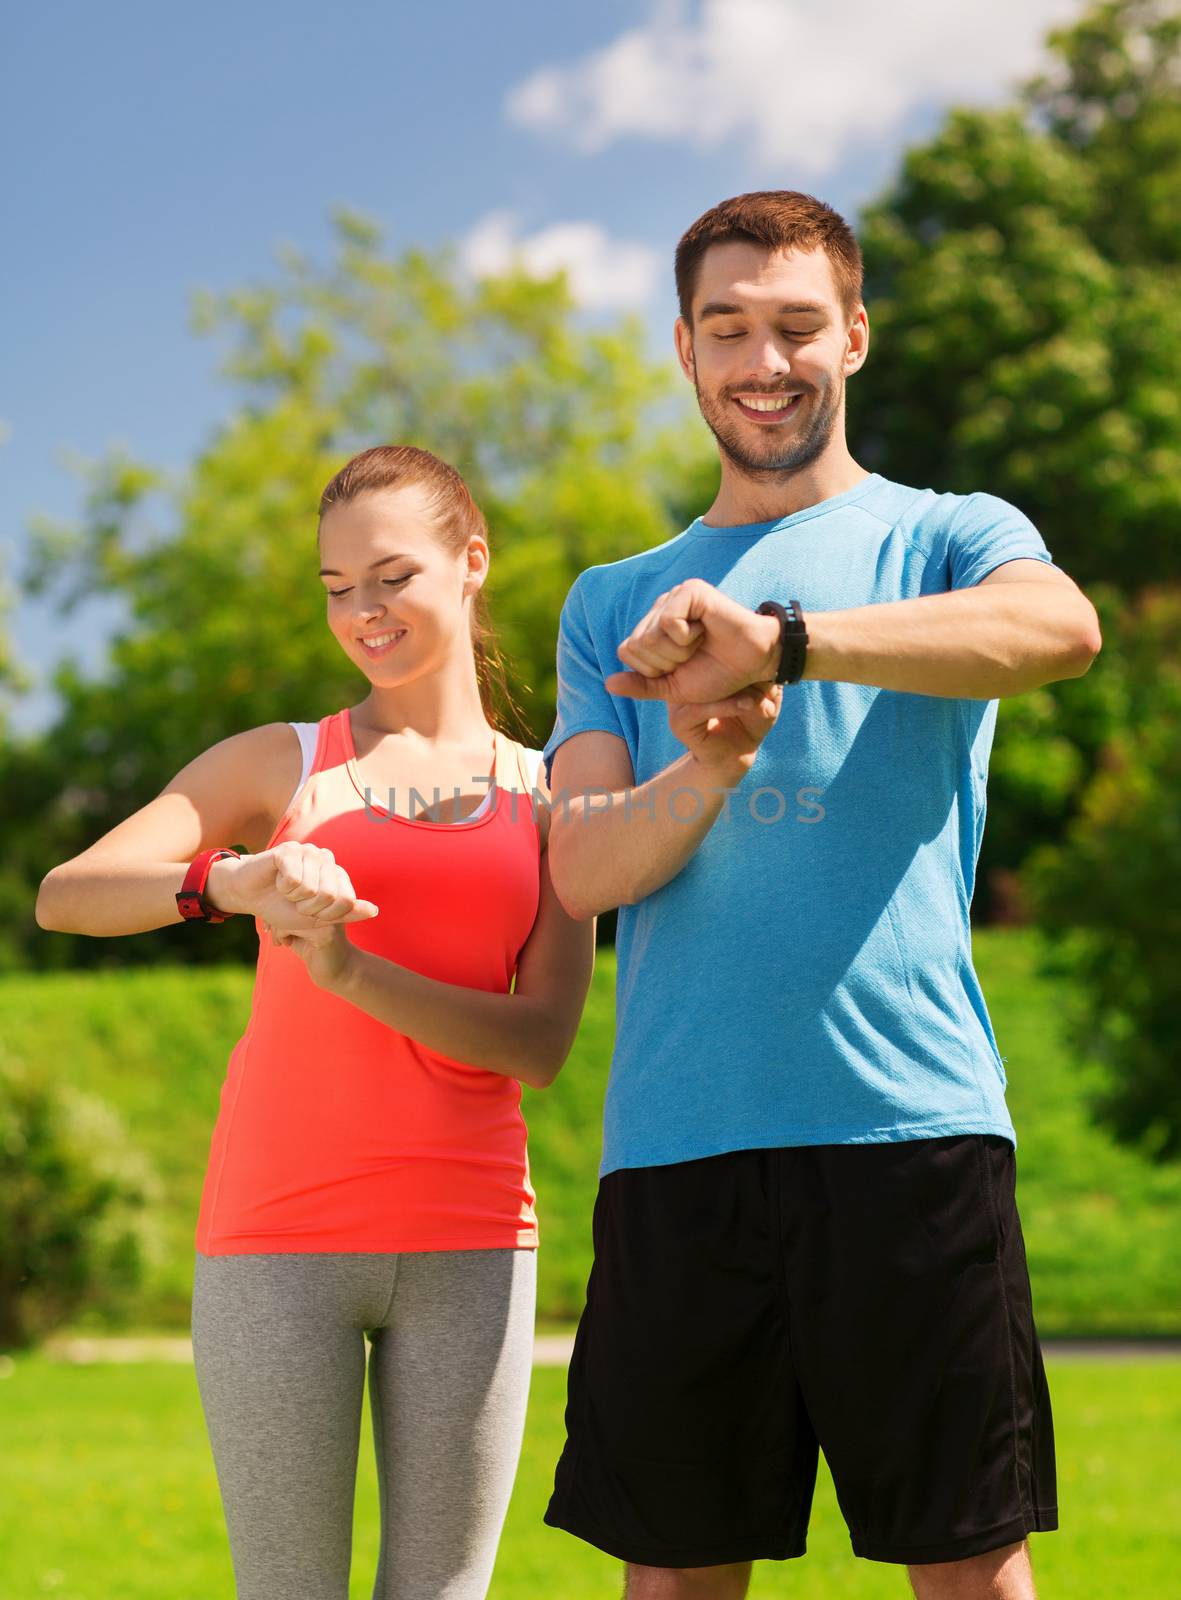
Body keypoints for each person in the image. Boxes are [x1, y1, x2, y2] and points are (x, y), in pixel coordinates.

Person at [539, 192, 1102, 1600]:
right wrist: (708, 763)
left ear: (852, 335)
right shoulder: (614, 601)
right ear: (683, 348)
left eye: (797, 325)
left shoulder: (950, 533)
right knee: (672, 1580)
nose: (763, 359)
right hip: (678, 1150)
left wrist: (783, 643)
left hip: (908, 1130)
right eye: (728, 328)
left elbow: (1061, 629)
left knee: (968, 1569)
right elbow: (585, 867)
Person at [35, 443, 596, 1600]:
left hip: (473, 1241)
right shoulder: (284, 763)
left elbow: (539, 1041)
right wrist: (225, 882)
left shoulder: (547, 795)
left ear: (471, 561)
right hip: (275, 1244)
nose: (363, 611)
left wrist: (346, 968)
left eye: (390, 575)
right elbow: (68, 894)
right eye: (337, 587)